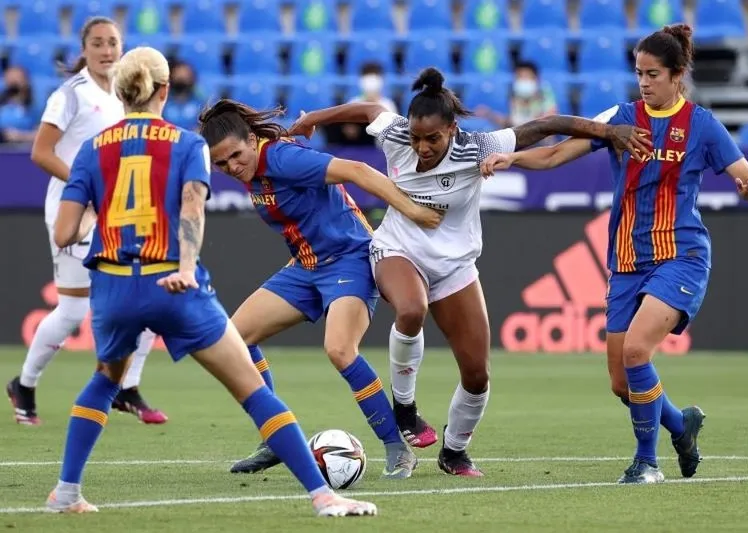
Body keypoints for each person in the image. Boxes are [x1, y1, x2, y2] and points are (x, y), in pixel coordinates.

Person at [45, 46, 377, 518]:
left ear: (118, 92)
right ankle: (324, 496)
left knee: (104, 382)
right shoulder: (186, 144)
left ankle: (66, 492)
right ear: (164, 91)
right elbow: (192, 209)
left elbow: (64, 232)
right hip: (172, 285)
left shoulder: (92, 149)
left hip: (114, 286)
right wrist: (184, 268)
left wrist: (104, 214)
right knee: (253, 390)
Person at [287, 67, 651, 476]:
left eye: (432, 138)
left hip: (454, 265)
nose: (422, 147)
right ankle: (404, 408)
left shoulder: (477, 147)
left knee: (477, 375)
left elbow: (545, 125)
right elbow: (369, 109)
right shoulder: (396, 134)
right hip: (396, 250)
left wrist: (608, 132)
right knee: (411, 308)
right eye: (416, 137)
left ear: (452, 130)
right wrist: (313, 118)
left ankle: (454, 452)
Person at [480, 24, 748, 484]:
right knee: (621, 382)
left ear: (677, 75)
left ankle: (646, 463)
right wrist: (512, 158)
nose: (644, 82)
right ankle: (681, 427)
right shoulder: (621, 118)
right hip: (627, 261)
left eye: (653, 74)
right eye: (639, 73)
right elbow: (555, 155)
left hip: (681, 256)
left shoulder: (701, 125)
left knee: (637, 351)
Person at [197, 99, 442, 478]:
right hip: (306, 266)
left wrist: (414, 211)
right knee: (236, 339)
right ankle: (275, 436)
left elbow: (357, 170)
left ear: (251, 140)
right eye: (221, 163)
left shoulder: (282, 159)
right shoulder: (253, 170)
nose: (232, 167)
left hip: (350, 259)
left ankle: (397, 447)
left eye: (235, 155)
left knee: (340, 350)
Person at [6, 16, 166, 426]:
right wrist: (88, 186)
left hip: (117, 208)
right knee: (74, 311)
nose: (106, 50)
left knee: (149, 290)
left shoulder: (127, 92)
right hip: (74, 208)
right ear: (85, 49)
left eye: (113, 42)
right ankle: (24, 384)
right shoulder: (71, 95)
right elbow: (41, 152)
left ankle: (128, 386)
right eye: (97, 43)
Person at [475, 61, 558, 129]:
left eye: (527, 77)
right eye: (520, 77)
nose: (523, 80)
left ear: (536, 79)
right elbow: (509, 122)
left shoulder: (545, 92)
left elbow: (550, 118)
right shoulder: (513, 93)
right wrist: (489, 114)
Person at [0, 65, 38, 143]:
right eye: (9, 79)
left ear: (26, 81)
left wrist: (21, 136)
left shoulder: (35, 108)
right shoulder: (2, 106)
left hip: (24, 147)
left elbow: (44, 135)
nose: (12, 82)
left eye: (16, 78)